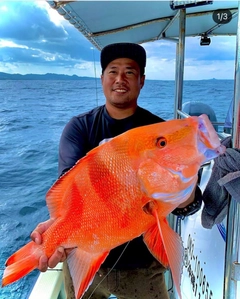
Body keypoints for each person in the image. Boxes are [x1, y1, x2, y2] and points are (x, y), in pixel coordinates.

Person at [31, 42, 203, 299]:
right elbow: (69, 188)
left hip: (142, 267)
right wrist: (57, 229)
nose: (120, 79)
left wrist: (185, 193)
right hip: (86, 256)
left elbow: (190, 204)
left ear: (142, 81)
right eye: (112, 71)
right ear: (102, 78)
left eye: (130, 72)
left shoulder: (157, 131)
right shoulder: (80, 128)